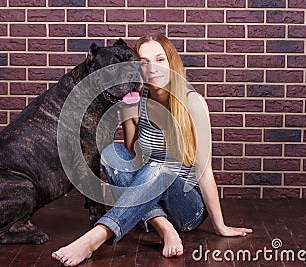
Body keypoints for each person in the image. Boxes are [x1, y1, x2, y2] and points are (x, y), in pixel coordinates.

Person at [52, 33, 252, 266]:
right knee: (111, 155)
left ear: (171, 62)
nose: (153, 68)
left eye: (160, 60)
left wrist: (220, 226)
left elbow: (204, 171)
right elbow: (131, 164)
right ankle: (164, 228)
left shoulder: (192, 102)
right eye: (144, 63)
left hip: (187, 208)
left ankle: (94, 238)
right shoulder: (134, 102)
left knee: (160, 166)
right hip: (150, 200)